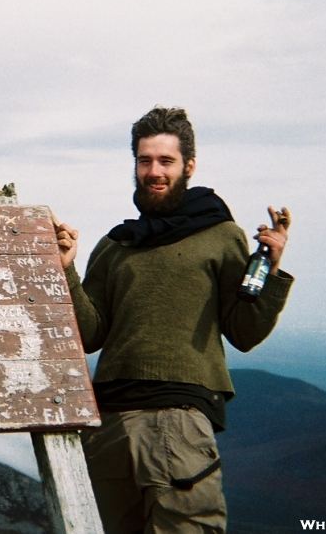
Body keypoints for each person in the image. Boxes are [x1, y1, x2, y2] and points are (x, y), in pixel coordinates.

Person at [53, 106, 293, 534]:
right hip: (108, 424)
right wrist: (66, 269)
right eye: (145, 161)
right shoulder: (115, 244)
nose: (154, 171)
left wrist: (270, 271)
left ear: (189, 166)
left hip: (179, 418)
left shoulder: (222, 236)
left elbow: (245, 332)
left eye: (166, 161)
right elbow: (89, 336)